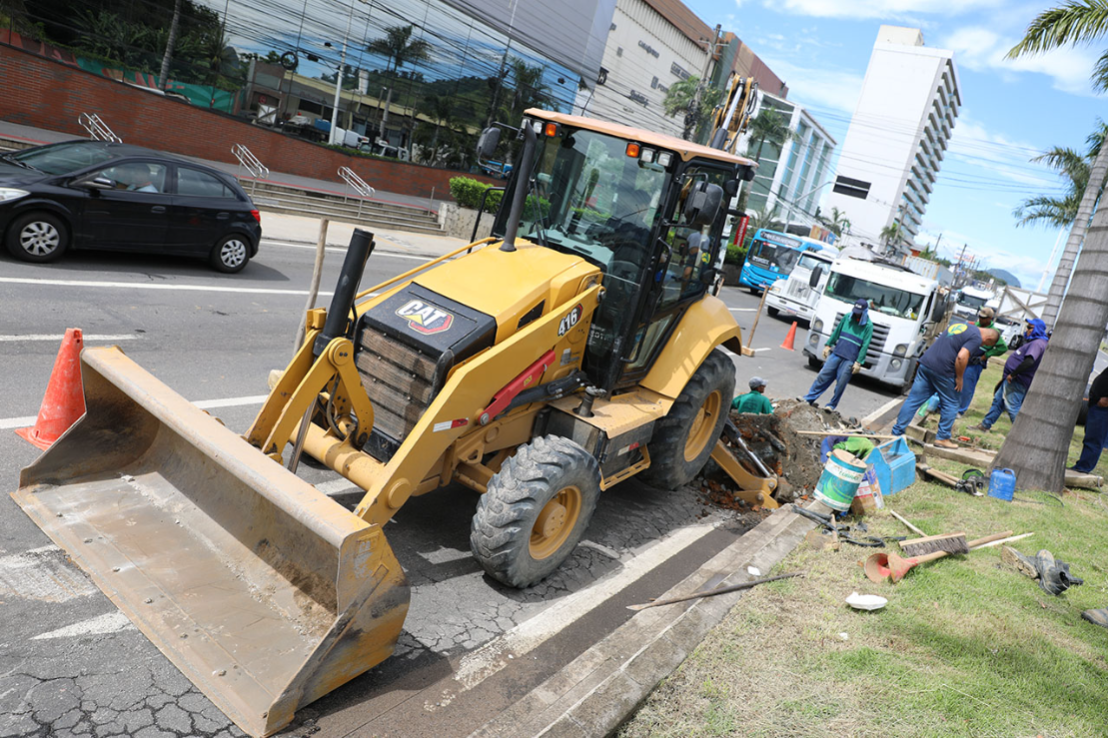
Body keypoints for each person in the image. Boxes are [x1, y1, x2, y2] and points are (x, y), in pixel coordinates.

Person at [891, 321, 1001, 448]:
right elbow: (961, 357)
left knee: (913, 400)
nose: (982, 345)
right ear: (988, 339)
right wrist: (959, 378)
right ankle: (942, 438)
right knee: (952, 403)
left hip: (926, 364)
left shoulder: (962, 325)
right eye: (986, 344)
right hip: (944, 370)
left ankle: (896, 433)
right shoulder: (976, 337)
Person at [916, 306, 1008, 418]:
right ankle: (942, 406)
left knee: (967, 386)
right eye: (979, 317)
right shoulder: (973, 326)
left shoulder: (994, 333)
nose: (981, 320)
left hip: (975, 362)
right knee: (951, 382)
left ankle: (960, 410)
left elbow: (1003, 348)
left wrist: (985, 356)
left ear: (990, 319)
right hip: (963, 358)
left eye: (983, 318)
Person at [968, 318, 1049, 432]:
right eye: (1027, 327)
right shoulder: (1037, 342)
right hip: (1012, 379)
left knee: (1013, 407)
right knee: (998, 402)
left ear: (1037, 329)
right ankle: (985, 425)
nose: (1027, 329)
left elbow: (1029, 361)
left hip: (1017, 380)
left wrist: (1013, 374)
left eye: (1030, 327)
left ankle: (1021, 434)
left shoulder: (1037, 344)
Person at [804, 298, 873, 411]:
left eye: (859, 313)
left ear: (865, 312)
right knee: (823, 376)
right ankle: (809, 399)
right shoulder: (847, 317)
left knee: (841, 383)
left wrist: (858, 362)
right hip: (837, 353)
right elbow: (837, 332)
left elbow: (865, 345)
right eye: (855, 311)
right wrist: (828, 345)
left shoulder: (868, 326)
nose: (856, 315)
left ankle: (831, 405)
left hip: (850, 359)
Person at [1071, 367, 1108, 474]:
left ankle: (1083, 468)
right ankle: (1082, 465)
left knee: (1094, 439)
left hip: (1103, 406)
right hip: (1097, 403)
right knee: (1091, 437)